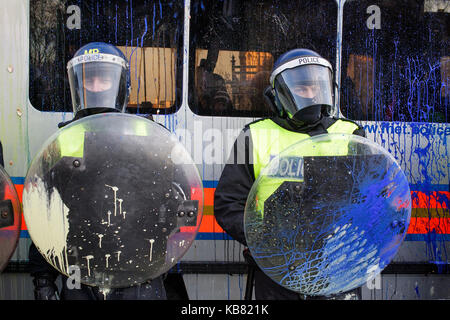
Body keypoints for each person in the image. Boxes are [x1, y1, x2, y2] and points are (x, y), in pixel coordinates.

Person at [28, 42, 188, 300]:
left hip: (140, 272)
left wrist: (159, 251)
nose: (95, 87)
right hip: (79, 272)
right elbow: (44, 217)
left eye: (103, 79)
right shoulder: (62, 142)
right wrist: (43, 279)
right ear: (77, 84)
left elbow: (181, 201)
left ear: (120, 84)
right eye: (89, 80)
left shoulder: (150, 136)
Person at [214, 48, 366, 300]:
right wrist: (261, 241)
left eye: (316, 87)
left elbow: (372, 198)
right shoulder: (254, 136)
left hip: (337, 261)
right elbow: (228, 202)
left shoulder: (350, 134)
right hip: (278, 264)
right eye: (302, 89)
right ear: (279, 95)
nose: (311, 95)